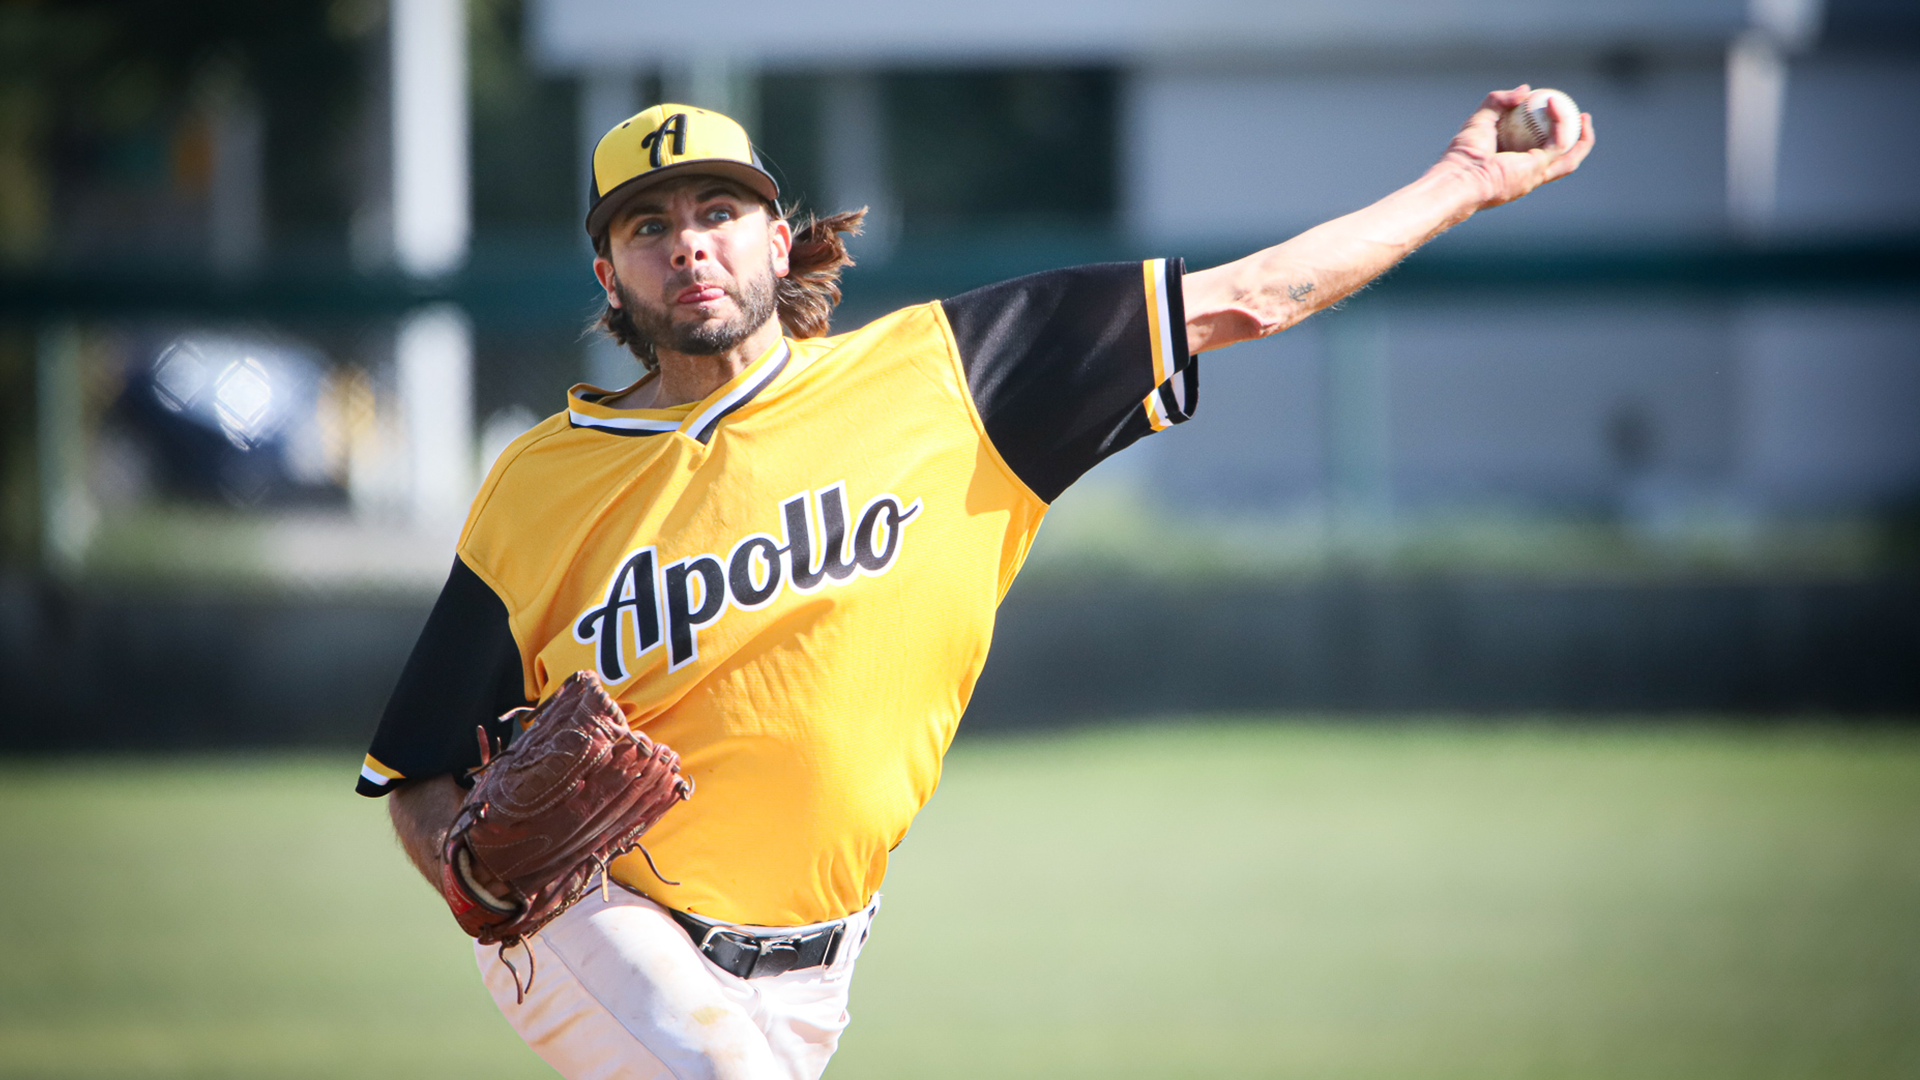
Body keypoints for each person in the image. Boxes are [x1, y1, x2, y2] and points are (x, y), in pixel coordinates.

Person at [355, 88, 1592, 1079]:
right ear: (610, 277)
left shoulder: (949, 378)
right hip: (597, 927)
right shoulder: (540, 484)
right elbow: (419, 772)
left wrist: (1464, 180)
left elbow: (1253, 297)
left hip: (815, 973)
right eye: (647, 225)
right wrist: (469, 878)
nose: (688, 241)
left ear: (777, 239)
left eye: (718, 208)